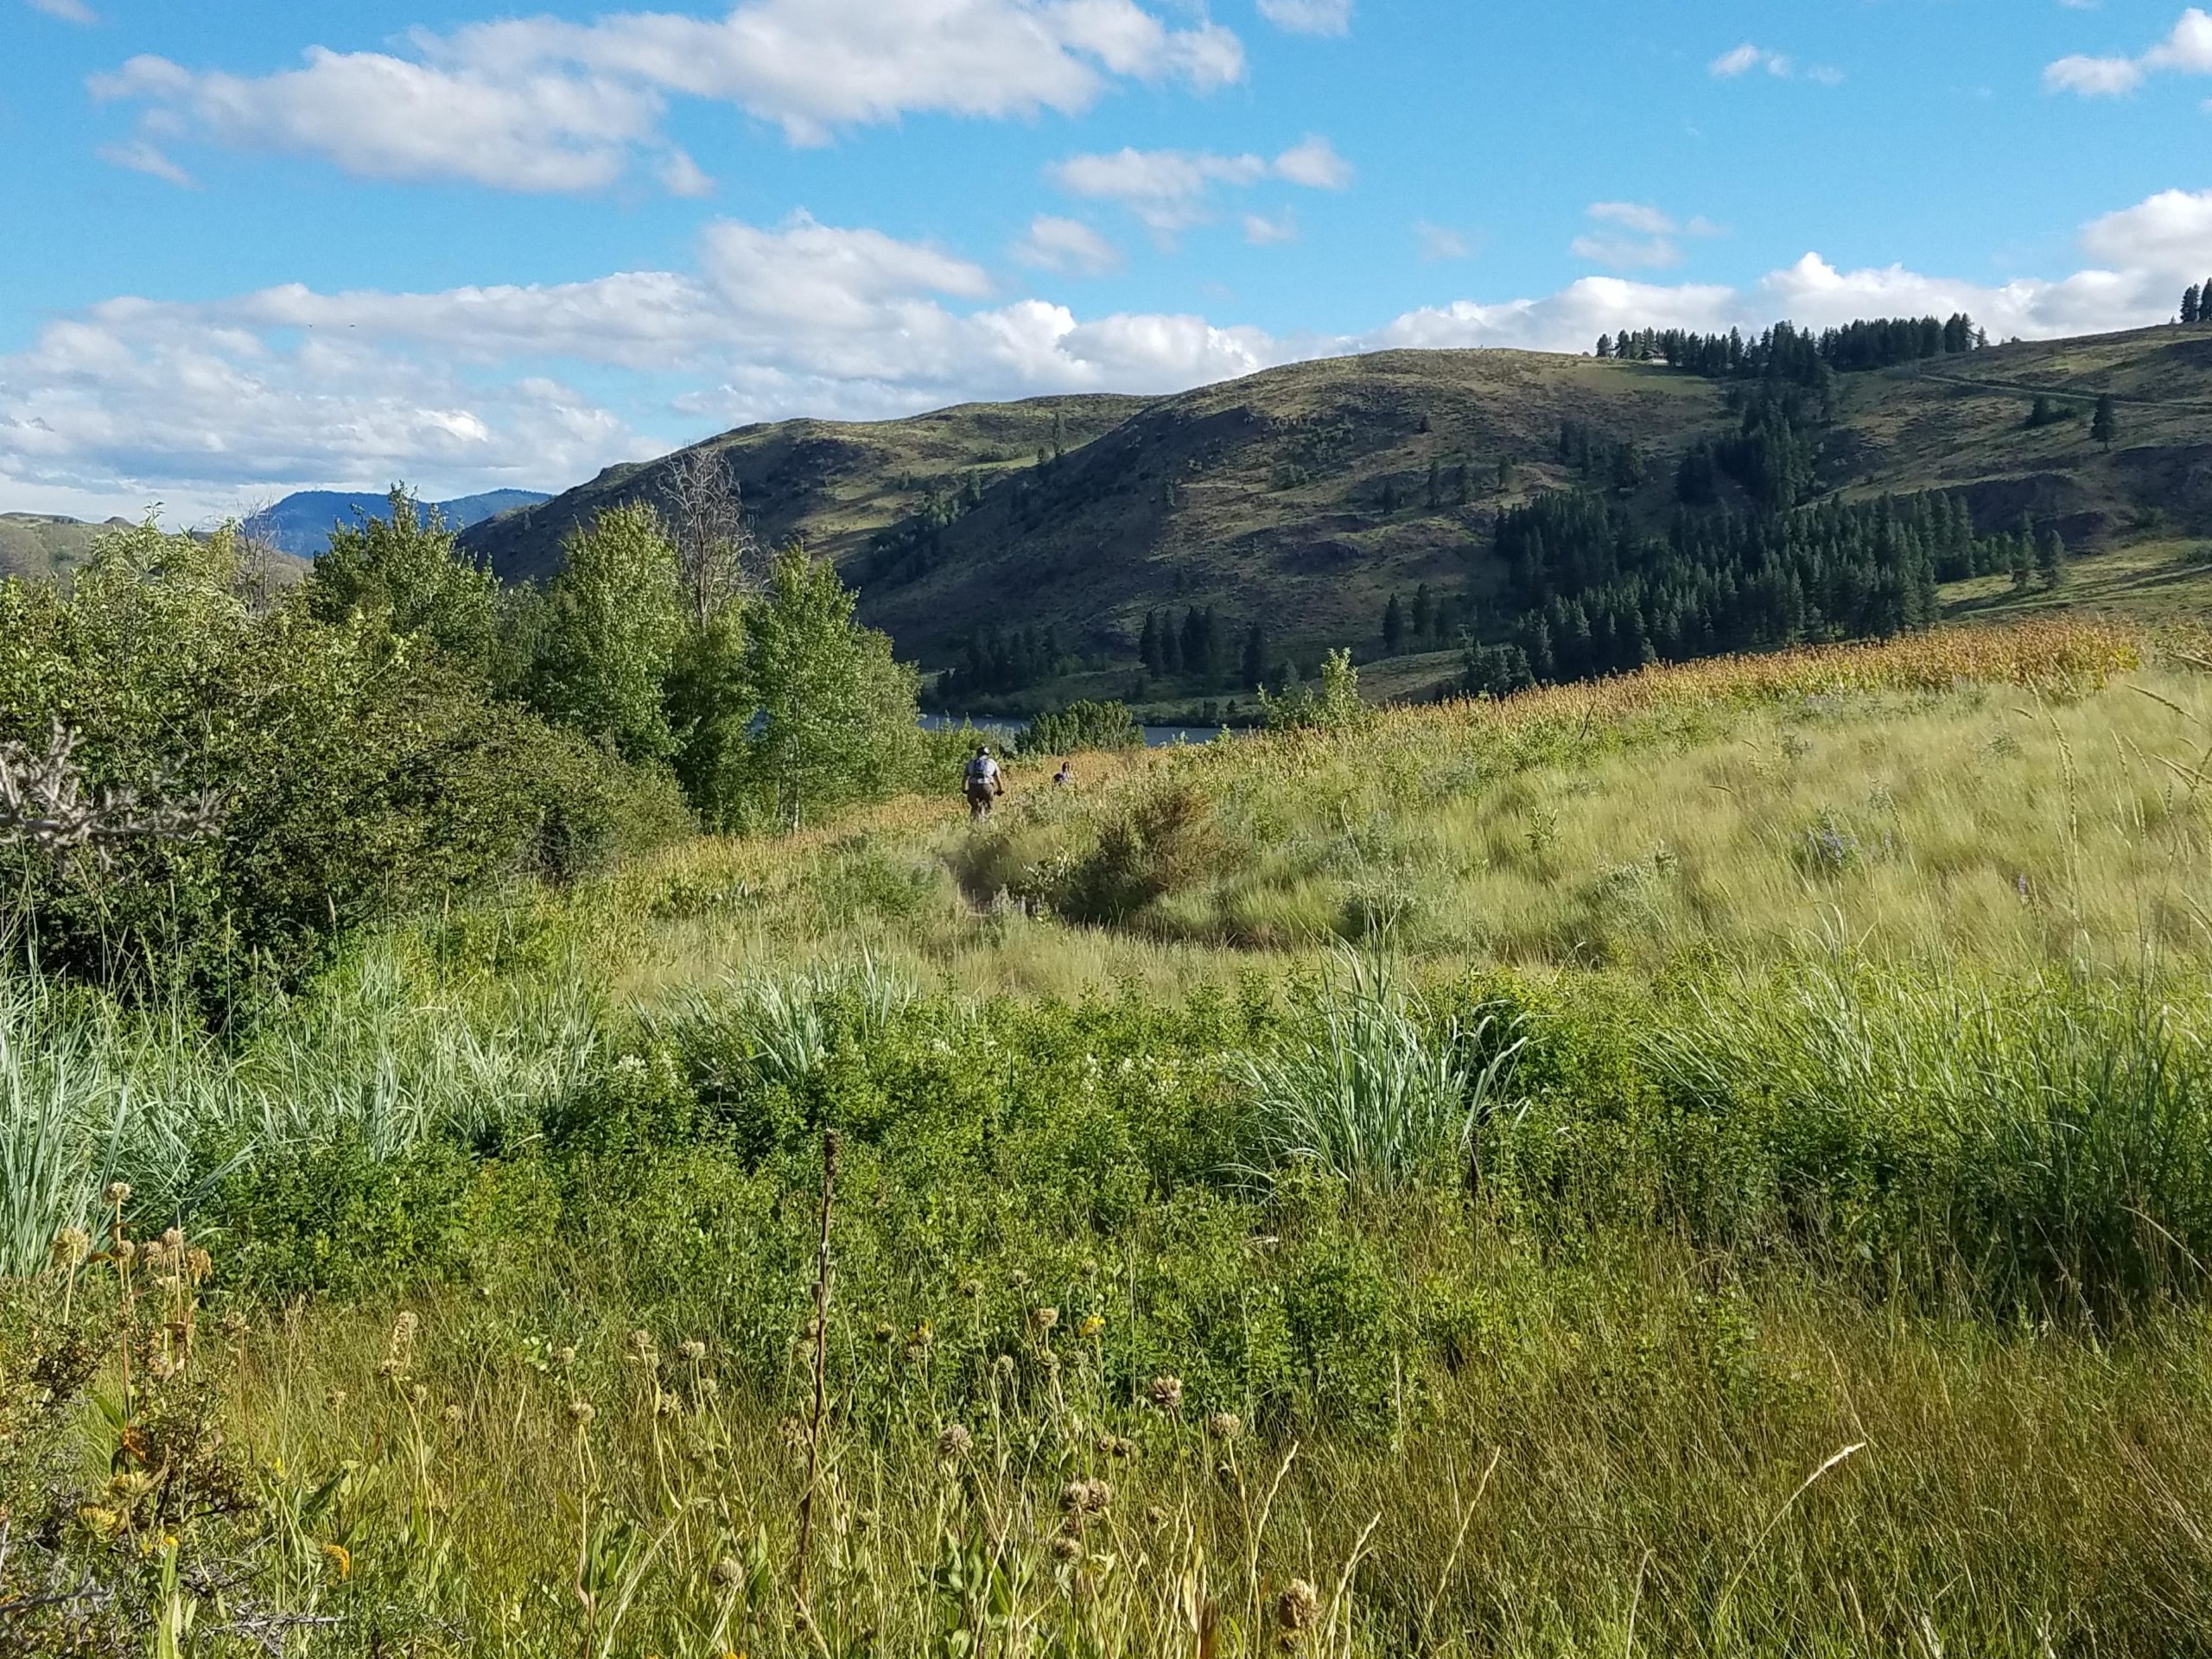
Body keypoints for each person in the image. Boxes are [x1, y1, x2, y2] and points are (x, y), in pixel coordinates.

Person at [963, 743, 1004, 821]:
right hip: (987, 787)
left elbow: (965, 777)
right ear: (987, 754)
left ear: (977, 754)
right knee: (989, 807)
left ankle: (973, 824)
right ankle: (989, 823)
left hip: (973, 787)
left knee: (974, 806)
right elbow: (998, 778)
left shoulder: (971, 762)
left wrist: (964, 789)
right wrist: (1000, 790)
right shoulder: (992, 762)